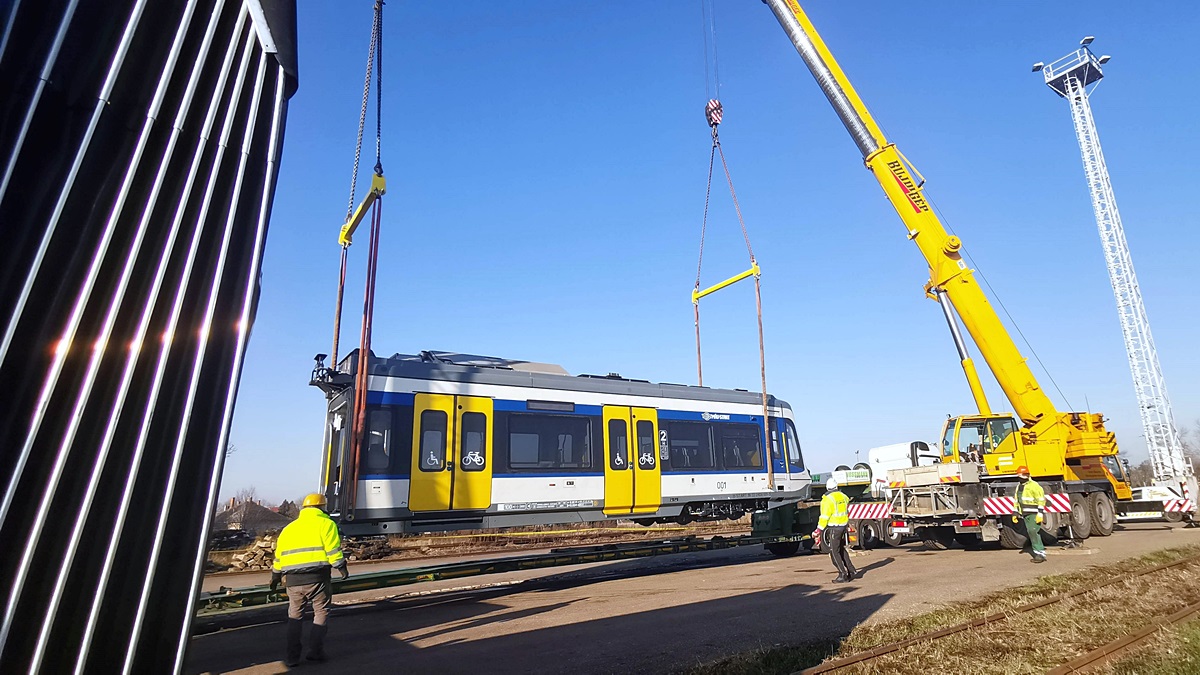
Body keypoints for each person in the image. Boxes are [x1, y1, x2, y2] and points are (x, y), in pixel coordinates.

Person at [270, 493, 349, 665]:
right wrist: (341, 567)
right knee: (320, 613)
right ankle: (315, 652)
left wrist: (275, 576)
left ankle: (292, 658)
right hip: (317, 579)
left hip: (292, 581)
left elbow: (279, 557)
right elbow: (333, 551)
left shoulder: (289, 528)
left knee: (295, 617)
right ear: (322, 507)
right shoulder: (327, 524)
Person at [812, 477, 857, 582]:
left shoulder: (827, 500)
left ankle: (842, 574)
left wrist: (818, 530)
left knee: (834, 552)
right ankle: (851, 570)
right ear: (836, 486)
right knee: (841, 548)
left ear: (827, 487)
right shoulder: (844, 496)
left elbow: (824, 517)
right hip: (843, 526)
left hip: (834, 527)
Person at [1012, 466, 1047, 563]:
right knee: (1031, 532)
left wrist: (1040, 513)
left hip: (1034, 513)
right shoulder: (1019, 486)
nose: (1021, 477)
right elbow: (1017, 500)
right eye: (1019, 475)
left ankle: (1040, 553)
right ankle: (1038, 552)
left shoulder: (1034, 486)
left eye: (1022, 475)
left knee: (1033, 531)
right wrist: (1015, 512)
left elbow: (1041, 500)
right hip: (1025, 514)